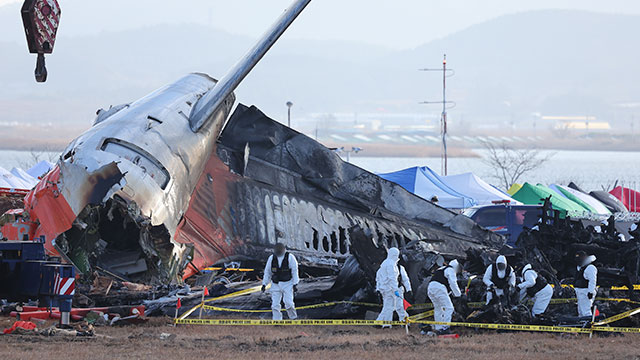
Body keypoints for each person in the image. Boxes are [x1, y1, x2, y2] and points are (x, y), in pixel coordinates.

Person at [375, 247, 412, 328]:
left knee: (390, 306)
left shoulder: (384, 264)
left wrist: (378, 288)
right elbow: (393, 278)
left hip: (387, 289)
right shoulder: (391, 265)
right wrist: (399, 290)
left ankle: (382, 322)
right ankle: (390, 323)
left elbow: (378, 278)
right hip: (394, 289)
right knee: (397, 307)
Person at [261, 243, 299, 320]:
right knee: (275, 305)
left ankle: (293, 318)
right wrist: (264, 284)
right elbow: (267, 272)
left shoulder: (290, 257)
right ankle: (277, 321)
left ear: (284, 250)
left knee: (289, 303)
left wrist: (295, 284)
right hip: (275, 284)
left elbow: (295, 271)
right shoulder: (271, 258)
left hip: (287, 283)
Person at [427, 259, 462, 334]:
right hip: (439, 288)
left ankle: (438, 327)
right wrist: (458, 294)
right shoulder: (450, 270)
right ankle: (445, 328)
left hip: (430, 288)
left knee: (438, 308)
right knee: (449, 308)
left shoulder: (441, 268)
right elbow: (453, 283)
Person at [574, 251, 597, 317]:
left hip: (585, 292)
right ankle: (582, 324)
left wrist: (590, 292)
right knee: (581, 311)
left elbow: (592, 281)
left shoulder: (590, 267)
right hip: (580, 292)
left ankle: (588, 325)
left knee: (586, 311)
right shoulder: (581, 268)